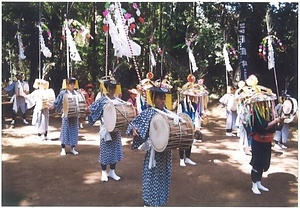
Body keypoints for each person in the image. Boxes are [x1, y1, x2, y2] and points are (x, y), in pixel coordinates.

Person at [126, 86, 173, 207]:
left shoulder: (169, 114)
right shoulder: (148, 113)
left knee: (163, 177)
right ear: (154, 99)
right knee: (151, 177)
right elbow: (133, 124)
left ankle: (159, 201)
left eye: (164, 98)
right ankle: (148, 203)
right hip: (154, 152)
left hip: (166, 153)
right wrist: (133, 130)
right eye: (160, 98)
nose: (162, 101)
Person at [88, 79, 123, 182]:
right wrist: (88, 111)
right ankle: (103, 172)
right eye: (110, 88)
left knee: (114, 151)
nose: (112, 90)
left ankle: (112, 171)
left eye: (114, 88)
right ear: (106, 88)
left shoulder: (118, 101)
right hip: (106, 129)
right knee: (105, 151)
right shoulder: (102, 100)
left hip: (116, 130)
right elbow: (92, 109)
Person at [249, 101, 285, 194]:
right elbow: (261, 127)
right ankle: (254, 184)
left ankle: (259, 182)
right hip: (258, 142)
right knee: (257, 163)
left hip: (267, 142)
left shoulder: (269, 112)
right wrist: (275, 121)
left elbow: (276, 128)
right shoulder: (255, 113)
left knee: (264, 162)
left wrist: (281, 120)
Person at [53, 77, 81, 156]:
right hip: (66, 115)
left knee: (74, 132)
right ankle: (63, 149)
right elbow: (58, 101)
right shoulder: (63, 93)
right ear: (67, 85)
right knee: (65, 131)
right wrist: (53, 106)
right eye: (70, 84)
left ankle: (72, 148)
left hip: (74, 115)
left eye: (73, 84)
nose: (72, 85)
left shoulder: (77, 93)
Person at [177, 94, 198, 166]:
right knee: (182, 142)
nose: (192, 97)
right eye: (190, 96)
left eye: (193, 96)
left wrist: (196, 126)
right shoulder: (182, 104)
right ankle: (181, 159)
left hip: (191, 125)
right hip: (183, 125)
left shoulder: (194, 105)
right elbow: (178, 114)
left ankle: (188, 158)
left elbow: (196, 115)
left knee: (189, 142)